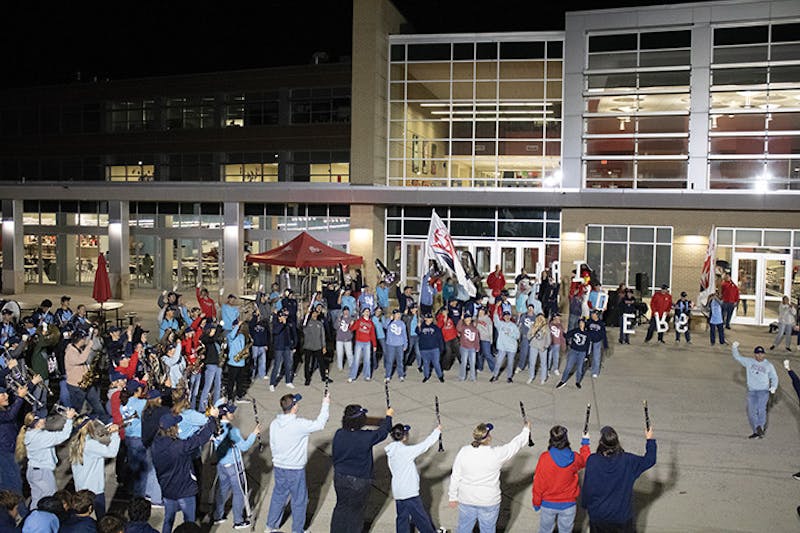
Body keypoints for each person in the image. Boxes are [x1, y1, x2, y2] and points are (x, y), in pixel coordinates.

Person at [448, 420, 531, 533]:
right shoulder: (496, 454)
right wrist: (526, 430)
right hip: (489, 501)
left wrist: (452, 497)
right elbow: (514, 445)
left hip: (467, 498)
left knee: (464, 528)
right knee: (488, 529)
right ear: (488, 438)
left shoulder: (464, 451)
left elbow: (455, 476)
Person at [266, 392, 330, 533]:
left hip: (279, 466)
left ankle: (270, 526)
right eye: (297, 403)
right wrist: (325, 404)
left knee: (278, 496)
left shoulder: (274, 423)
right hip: (295, 469)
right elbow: (320, 424)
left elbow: (273, 444)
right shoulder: (299, 424)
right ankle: (297, 530)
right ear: (294, 407)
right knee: (299, 500)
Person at [151, 406, 219, 533]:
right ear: (172, 428)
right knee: (189, 523)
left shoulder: (156, 444)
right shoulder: (178, 446)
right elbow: (199, 439)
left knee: (168, 519)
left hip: (167, 488)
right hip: (184, 490)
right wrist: (212, 419)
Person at [330, 404, 393, 533]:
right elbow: (382, 432)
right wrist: (388, 416)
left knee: (341, 507)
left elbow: (335, 456)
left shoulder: (339, 434)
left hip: (340, 477)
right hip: (360, 480)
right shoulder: (366, 437)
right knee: (356, 512)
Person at [581, 425, 657, 532]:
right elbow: (650, 459)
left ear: (601, 443)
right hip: (621, 518)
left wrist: (585, 504)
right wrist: (650, 439)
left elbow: (588, 488)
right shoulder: (628, 461)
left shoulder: (592, 461)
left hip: (598, 517)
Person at [532, 426, 590, 533]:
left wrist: (536, 502)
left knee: (545, 530)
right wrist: (585, 443)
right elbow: (585, 460)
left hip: (548, 504)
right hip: (568, 504)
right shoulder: (574, 457)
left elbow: (538, 483)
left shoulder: (545, 458)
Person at [385, 423, 442, 533]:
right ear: (405, 436)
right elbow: (425, 445)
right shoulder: (405, 451)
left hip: (398, 492)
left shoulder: (392, 451)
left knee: (402, 518)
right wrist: (437, 431)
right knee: (421, 519)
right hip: (409, 493)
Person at [211, 404, 259, 530]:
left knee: (222, 489)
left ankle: (218, 515)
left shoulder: (214, 427)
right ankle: (238, 520)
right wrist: (254, 434)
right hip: (233, 465)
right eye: (231, 412)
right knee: (239, 492)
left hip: (221, 464)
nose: (233, 414)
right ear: (225, 414)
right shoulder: (233, 431)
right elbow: (244, 447)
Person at [17, 407, 76, 509]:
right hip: (43, 473)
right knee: (50, 500)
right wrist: (69, 419)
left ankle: (33, 518)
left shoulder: (30, 434)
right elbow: (64, 435)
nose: (44, 419)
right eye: (41, 419)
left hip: (33, 471)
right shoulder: (40, 437)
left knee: (37, 499)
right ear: (37, 423)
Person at [69, 418, 121, 519]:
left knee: (82, 516)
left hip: (81, 487)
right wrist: (115, 434)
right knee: (101, 518)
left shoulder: (76, 441)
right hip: (94, 490)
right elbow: (112, 452)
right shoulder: (90, 444)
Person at [732, 342, 778, 438]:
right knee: (751, 411)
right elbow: (737, 357)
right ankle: (756, 429)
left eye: (761, 353)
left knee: (761, 409)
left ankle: (760, 426)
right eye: (757, 353)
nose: (759, 355)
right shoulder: (749, 362)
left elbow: (774, 377)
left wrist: (774, 387)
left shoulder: (769, 365)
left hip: (763, 391)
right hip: (752, 391)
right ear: (754, 354)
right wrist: (734, 347)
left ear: (764, 354)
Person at [0, 384, 28, 518]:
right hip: (5, 453)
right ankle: (21, 513)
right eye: (2, 394)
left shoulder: (3, 409)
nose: (6, 396)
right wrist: (20, 398)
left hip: (10, 451)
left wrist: (31, 385)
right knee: (14, 484)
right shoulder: (3, 414)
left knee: (12, 482)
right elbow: (10, 416)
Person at [556, 318, 591, 390]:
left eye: (582, 323)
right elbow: (566, 336)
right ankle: (563, 381)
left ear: (585, 324)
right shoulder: (575, 331)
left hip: (582, 352)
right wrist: (563, 330)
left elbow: (588, 345)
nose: (581, 324)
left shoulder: (587, 334)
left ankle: (578, 381)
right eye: (580, 323)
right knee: (568, 367)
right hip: (573, 351)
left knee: (580, 368)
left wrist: (587, 355)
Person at [270, 310, 298, 393]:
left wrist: (293, 345)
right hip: (279, 347)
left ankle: (288, 381)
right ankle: (272, 383)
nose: (285, 318)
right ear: (279, 317)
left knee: (288, 365)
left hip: (287, 346)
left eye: (285, 316)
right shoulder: (276, 324)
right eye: (283, 316)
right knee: (277, 365)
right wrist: (282, 323)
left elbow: (291, 334)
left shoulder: (288, 324)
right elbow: (276, 331)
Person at [490, 311, 520, 384]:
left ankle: (509, 377)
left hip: (511, 347)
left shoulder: (513, 326)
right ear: (503, 317)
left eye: (508, 315)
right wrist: (496, 308)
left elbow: (518, 336)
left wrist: (510, 334)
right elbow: (495, 319)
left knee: (510, 363)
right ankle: (495, 376)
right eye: (505, 316)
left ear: (510, 316)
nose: (507, 317)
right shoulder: (500, 324)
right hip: (502, 347)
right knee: (498, 362)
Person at [348, 308, 377, 382]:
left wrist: (374, 345)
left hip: (367, 343)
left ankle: (367, 375)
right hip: (359, 342)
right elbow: (352, 329)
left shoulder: (371, 323)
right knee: (356, 359)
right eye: (366, 311)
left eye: (368, 312)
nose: (367, 313)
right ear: (363, 313)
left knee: (367, 359)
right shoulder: (359, 321)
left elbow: (373, 335)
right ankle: (352, 376)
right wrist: (351, 324)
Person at [302, 308, 329, 386]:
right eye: (313, 313)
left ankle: (323, 377)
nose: (314, 315)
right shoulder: (307, 323)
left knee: (321, 362)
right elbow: (302, 326)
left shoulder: (319, 323)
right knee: (307, 363)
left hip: (318, 346)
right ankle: (307, 378)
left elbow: (322, 336)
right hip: (308, 346)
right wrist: (305, 315)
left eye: (316, 313)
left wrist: (324, 346)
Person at [417, 313, 445, 383]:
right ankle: (426, 376)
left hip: (434, 348)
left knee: (436, 363)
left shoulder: (436, 328)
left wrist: (442, 348)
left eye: (430, 318)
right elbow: (417, 332)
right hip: (424, 349)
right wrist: (418, 326)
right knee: (426, 363)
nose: (429, 320)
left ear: (432, 319)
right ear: (425, 319)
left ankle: (440, 376)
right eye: (427, 318)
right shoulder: (421, 327)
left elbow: (440, 338)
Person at [384, 309, 408, 382]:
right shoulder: (389, 322)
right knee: (390, 361)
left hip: (400, 344)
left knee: (400, 360)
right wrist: (389, 320)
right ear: (393, 315)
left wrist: (405, 344)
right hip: (391, 344)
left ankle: (401, 375)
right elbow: (384, 326)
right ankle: (388, 375)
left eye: (399, 314)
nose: (398, 316)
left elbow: (404, 334)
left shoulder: (402, 323)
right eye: (397, 314)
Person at [527, 313, 551, 385]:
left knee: (543, 363)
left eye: (541, 318)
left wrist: (546, 346)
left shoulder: (546, 327)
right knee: (532, 362)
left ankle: (543, 378)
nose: (540, 319)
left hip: (542, 347)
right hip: (533, 346)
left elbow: (549, 339)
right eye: (539, 317)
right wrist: (532, 334)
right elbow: (528, 336)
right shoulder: (533, 326)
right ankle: (531, 376)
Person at [456, 312, 480, 382]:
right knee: (464, 362)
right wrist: (461, 319)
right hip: (464, 347)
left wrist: (477, 346)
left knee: (472, 362)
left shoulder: (474, 327)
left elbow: (476, 338)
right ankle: (462, 376)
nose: (468, 320)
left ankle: (472, 377)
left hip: (472, 347)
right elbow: (458, 328)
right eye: (466, 319)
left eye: (469, 318)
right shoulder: (463, 326)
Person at [586, 309, 608, 379]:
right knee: (589, 355)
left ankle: (595, 371)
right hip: (590, 341)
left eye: (593, 314)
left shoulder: (601, 324)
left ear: (597, 315)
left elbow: (604, 335)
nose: (592, 315)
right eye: (592, 314)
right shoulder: (589, 322)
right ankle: (591, 366)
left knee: (596, 356)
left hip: (597, 342)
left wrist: (605, 345)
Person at [475, 307, 495, 374]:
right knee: (479, 354)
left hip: (486, 339)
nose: (480, 312)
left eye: (482, 311)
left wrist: (491, 339)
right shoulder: (476, 318)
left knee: (487, 354)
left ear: (484, 312)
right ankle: (480, 368)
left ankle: (493, 369)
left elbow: (491, 330)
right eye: (480, 311)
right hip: (477, 339)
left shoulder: (488, 319)